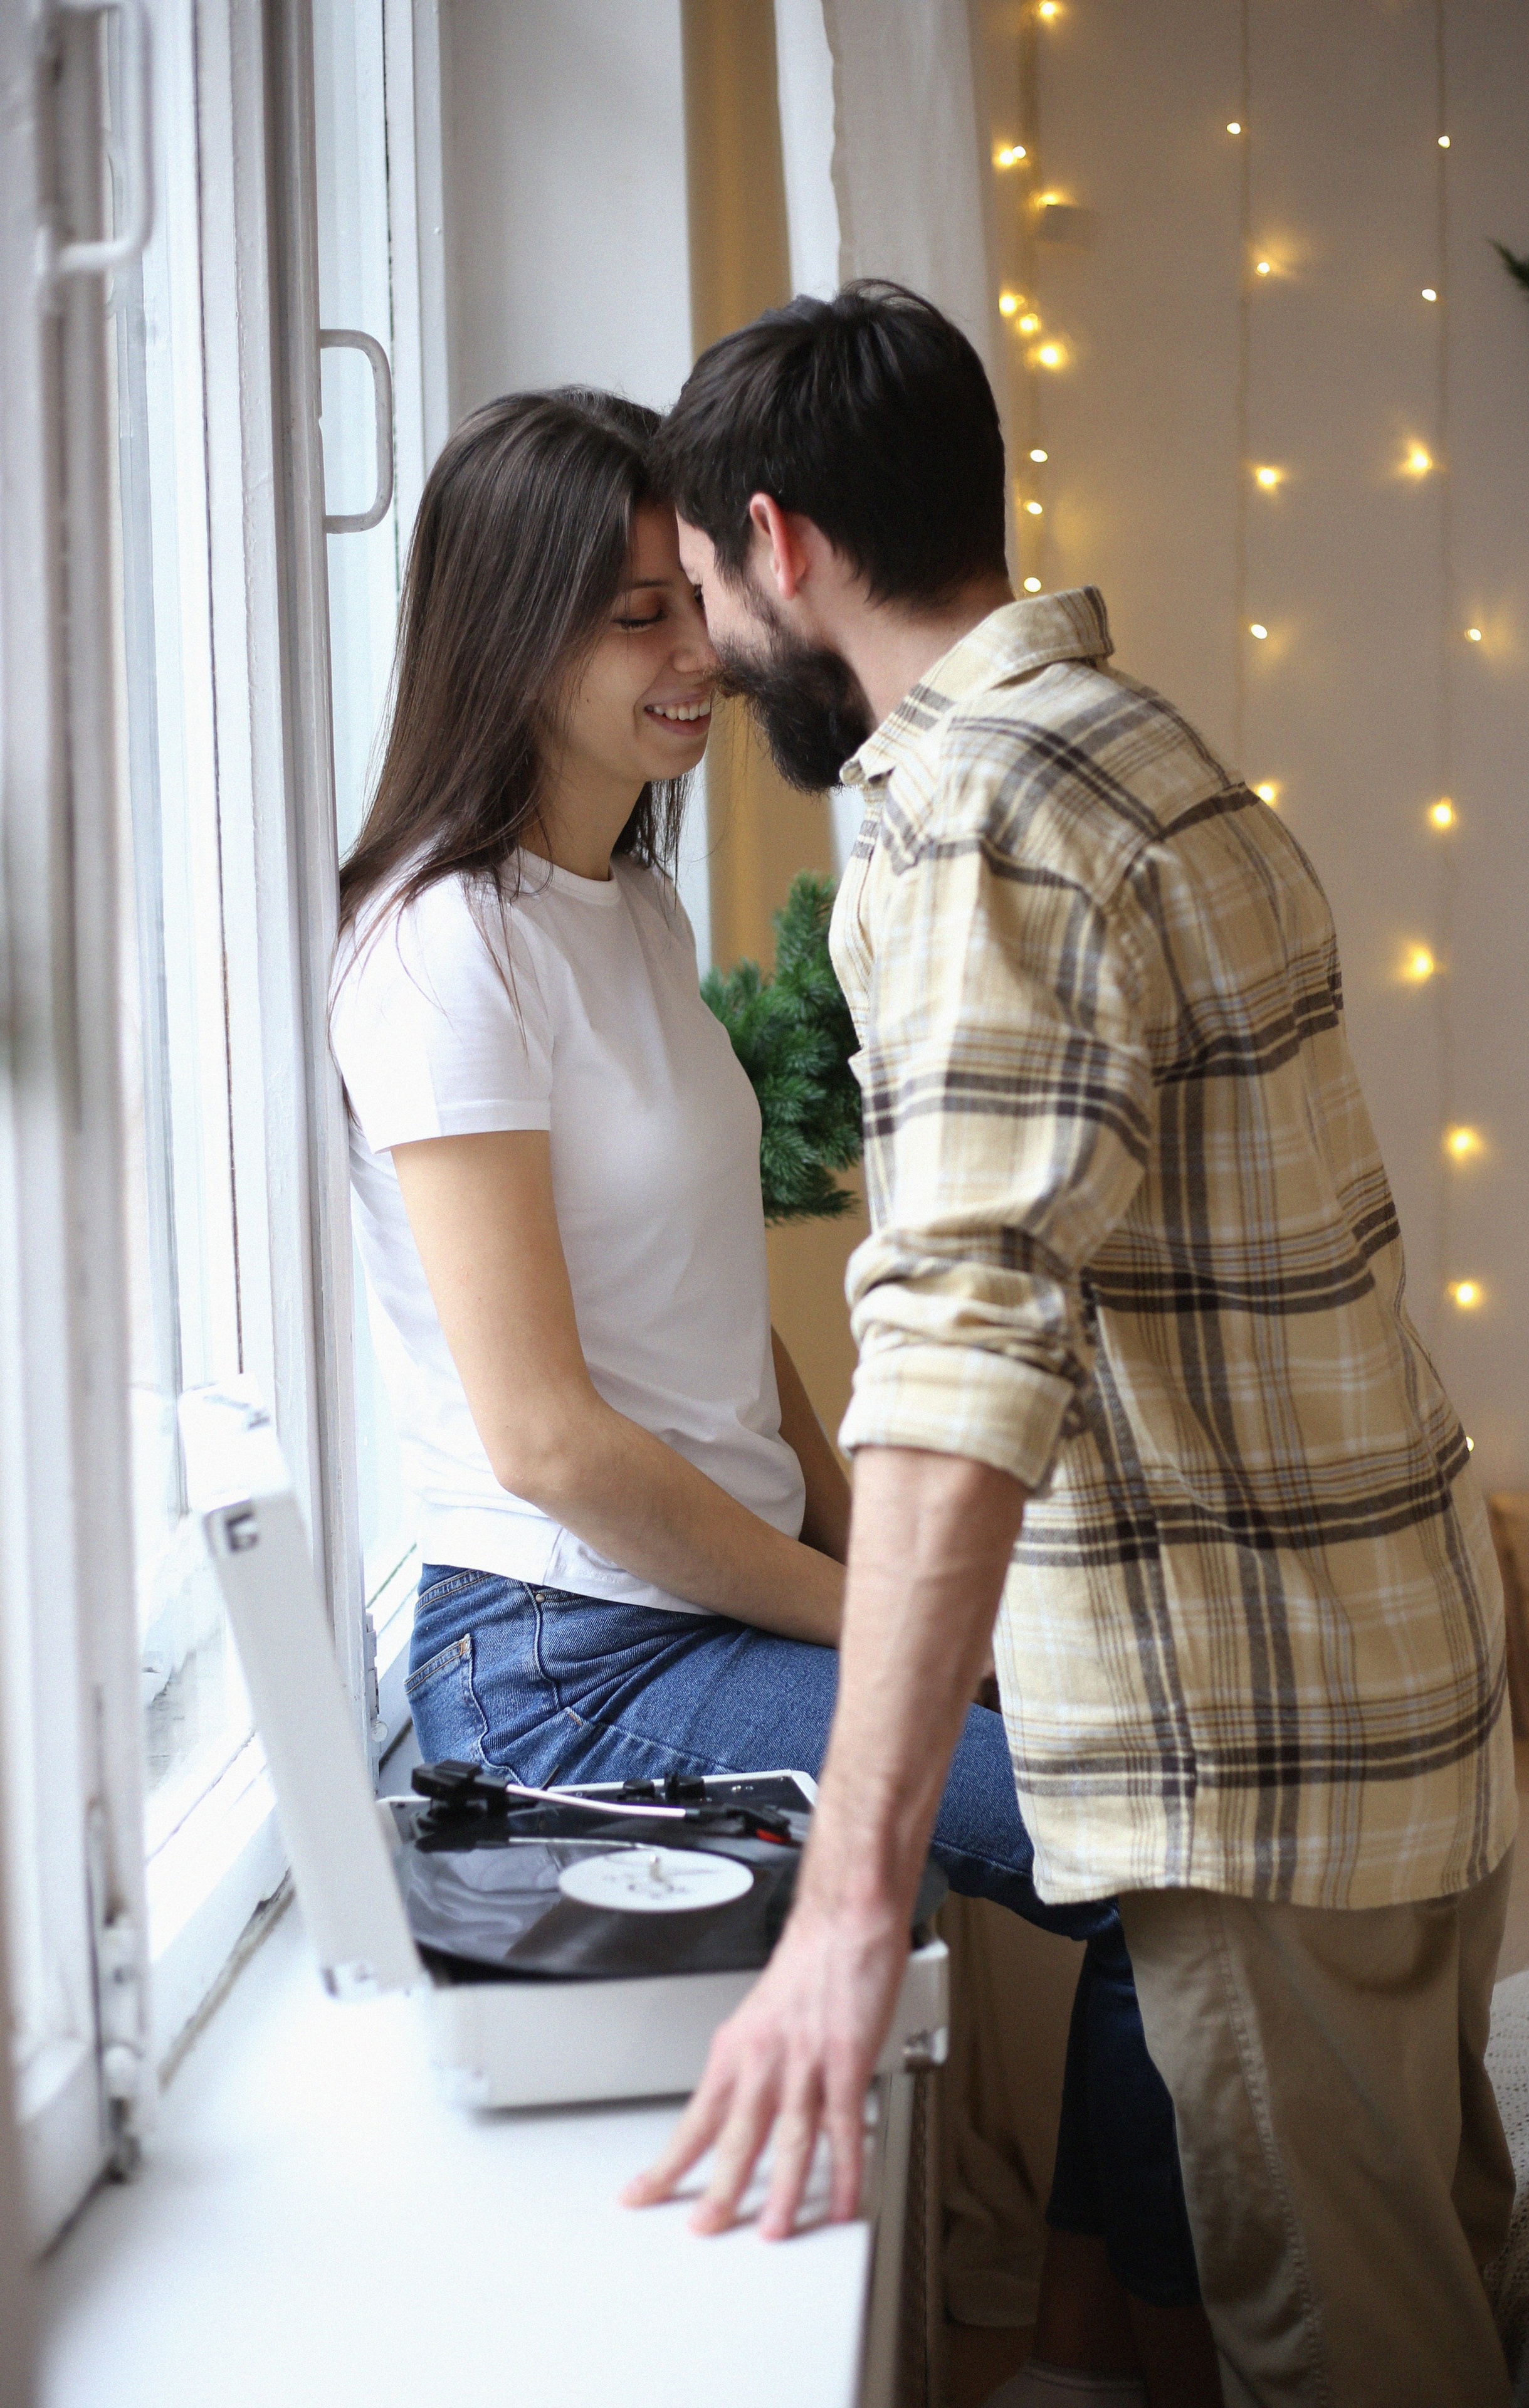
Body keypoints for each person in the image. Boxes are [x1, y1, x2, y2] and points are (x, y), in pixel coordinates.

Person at [628, 284, 1520, 2408]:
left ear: (784, 543)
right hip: (1390, 1681)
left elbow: (958, 1358)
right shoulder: (1136, 740)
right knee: (1443, 2306)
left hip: (1263, 1767)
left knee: (1359, 2362)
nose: (707, 650)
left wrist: (849, 1910)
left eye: (697, 592)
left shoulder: (976, 818)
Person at [328, 389, 1220, 2407]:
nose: (698, 658)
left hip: (701, 1598)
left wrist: (866, 1537)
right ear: (509, 634)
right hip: (559, 1657)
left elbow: (725, 1341)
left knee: (1164, 1826)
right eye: (634, 617)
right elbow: (550, 1442)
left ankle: (1078, 2354)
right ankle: (1135, 2364)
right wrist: (879, 1617)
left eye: (693, 603)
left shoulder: (623, 905)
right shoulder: (443, 951)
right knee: (1155, 1853)